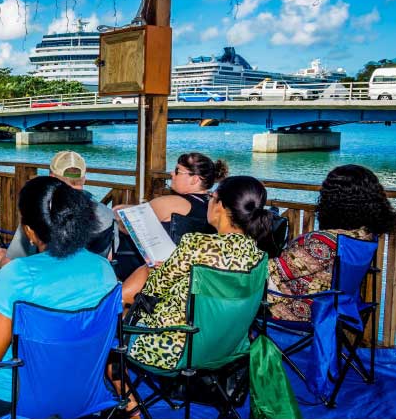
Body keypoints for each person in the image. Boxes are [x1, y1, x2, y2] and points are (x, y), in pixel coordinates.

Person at [0, 177, 118, 418]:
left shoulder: (17, 275)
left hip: (10, 402)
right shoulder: (103, 269)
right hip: (81, 395)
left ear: (29, 231)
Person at [120, 176, 271, 371]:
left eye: (211, 197)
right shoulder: (258, 255)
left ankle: (124, 391)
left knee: (113, 317)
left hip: (174, 350)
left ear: (220, 206)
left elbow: (151, 292)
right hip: (228, 347)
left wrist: (159, 270)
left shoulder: (196, 244)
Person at [0, 150, 116, 316]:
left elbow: (10, 263)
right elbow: (109, 257)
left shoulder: (41, 212)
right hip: (90, 293)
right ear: (84, 178)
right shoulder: (107, 214)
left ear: (51, 178)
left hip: (44, 288)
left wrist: (5, 256)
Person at [268, 164, 396, 322]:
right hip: (334, 306)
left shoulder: (321, 243)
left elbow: (270, 271)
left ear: (332, 201)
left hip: (301, 310)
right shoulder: (365, 236)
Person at [113, 152, 228, 280]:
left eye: (177, 171)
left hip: (156, 271)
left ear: (195, 179)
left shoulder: (171, 203)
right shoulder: (214, 206)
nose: (172, 174)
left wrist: (118, 212)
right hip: (193, 273)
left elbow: (128, 225)